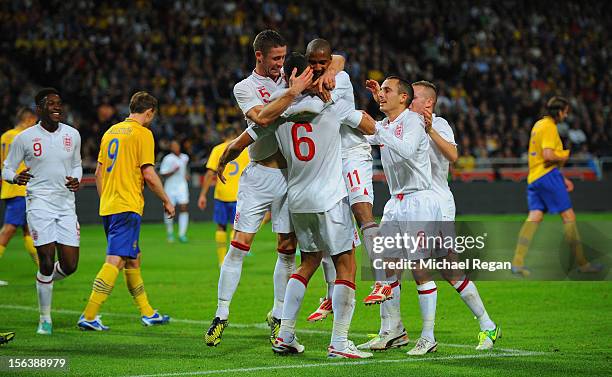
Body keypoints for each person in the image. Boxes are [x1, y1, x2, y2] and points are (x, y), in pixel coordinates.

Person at [204, 29, 343, 346]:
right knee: (241, 244)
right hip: (259, 176)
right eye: (275, 58)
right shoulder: (246, 87)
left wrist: (326, 75)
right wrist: (293, 92)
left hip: (291, 177)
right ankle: (221, 315)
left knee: (286, 249)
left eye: (283, 57)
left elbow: (334, 58)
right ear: (259, 57)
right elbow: (260, 120)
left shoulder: (290, 76)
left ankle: (279, 316)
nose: (281, 64)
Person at [266, 53, 376, 358]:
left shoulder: (278, 109)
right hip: (329, 197)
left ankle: (286, 333)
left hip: (298, 200)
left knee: (309, 261)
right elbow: (367, 125)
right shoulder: (330, 103)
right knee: (347, 264)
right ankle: (340, 342)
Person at [409, 80, 500, 350]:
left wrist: (429, 131)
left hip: (438, 203)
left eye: (412, 97)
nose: (407, 100)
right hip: (416, 205)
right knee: (448, 269)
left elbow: (453, 155)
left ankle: (427, 336)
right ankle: (487, 324)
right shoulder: (405, 124)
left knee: (424, 265)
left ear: (427, 103)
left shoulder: (440, 124)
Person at [78, 91, 175, 331]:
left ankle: (148, 312)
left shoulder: (111, 132)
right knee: (116, 259)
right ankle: (89, 315)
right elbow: (149, 174)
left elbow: (99, 173)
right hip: (127, 204)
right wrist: (166, 200)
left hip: (109, 205)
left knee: (133, 258)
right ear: (149, 111)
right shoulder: (143, 133)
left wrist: (106, 200)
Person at [300, 39, 382, 324]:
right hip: (331, 157)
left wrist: (376, 129)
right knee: (329, 225)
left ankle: (382, 278)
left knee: (362, 211)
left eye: (324, 62)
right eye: (314, 62)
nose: (320, 67)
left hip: (353, 152)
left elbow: (343, 113)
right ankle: (331, 294)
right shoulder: (306, 79)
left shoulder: (340, 78)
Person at [361, 76, 443, 356]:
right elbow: (363, 135)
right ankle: (393, 330)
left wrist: (377, 130)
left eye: (387, 91)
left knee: (419, 270)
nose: (381, 95)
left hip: (419, 199)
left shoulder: (414, 121)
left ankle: (428, 336)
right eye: (380, 90)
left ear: (404, 98)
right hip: (395, 203)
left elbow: (407, 150)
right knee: (386, 266)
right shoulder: (385, 125)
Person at [2, 88, 82, 335]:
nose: (57, 107)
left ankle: (42, 280)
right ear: (39, 108)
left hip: (66, 204)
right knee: (46, 261)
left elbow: (77, 164)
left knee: (69, 265)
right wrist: (15, 177)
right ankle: (44, 318)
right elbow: (5, 168)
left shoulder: (73, 134)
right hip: (39, 204)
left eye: (59, 103)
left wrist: (77, 178)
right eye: (51, 104)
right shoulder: (24, 138)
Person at [512, 97, 602, 276]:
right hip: (547, 177)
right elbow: (548, 155)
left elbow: (540, 157)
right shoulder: (550, 127)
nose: (566, 115)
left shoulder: (538, 125)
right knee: (569, 216)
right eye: (565, 111)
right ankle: (583, 264)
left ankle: (517, 262)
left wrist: (562, 178)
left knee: (534, 217)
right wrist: (565, 154)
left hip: (535, 178)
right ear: (559, 112)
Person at [198, 128, 249, 266]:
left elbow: (210, 174)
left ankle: (221, 260)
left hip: (221, 195)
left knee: (221, 227)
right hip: (239, 195)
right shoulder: (244, 150)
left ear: (223, 136)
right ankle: (232, 260)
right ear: (235, 136)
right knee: (236, 229)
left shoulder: (218, 149)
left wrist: (203, 195)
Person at [0, 107, 39, 267]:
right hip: (21, 188)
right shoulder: (24, 137)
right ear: (28, 119)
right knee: (8, 230)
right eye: (34, 122)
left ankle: (44, 269)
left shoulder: (5, 136)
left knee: (29, 230)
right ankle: (45, 269)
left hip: (9, 187)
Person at [160, 140, 190, 243]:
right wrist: (173, 171)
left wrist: (186, 174)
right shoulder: (167, 159)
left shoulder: (185, 157)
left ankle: (182, 234)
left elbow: (185, 170)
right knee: (168, 209)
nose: (175, 147)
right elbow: (163, 174)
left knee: (184, 207)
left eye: (177, 145)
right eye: (173, 146)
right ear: (171, 148)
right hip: (170, 187)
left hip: (182, 186)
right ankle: (170, 233)